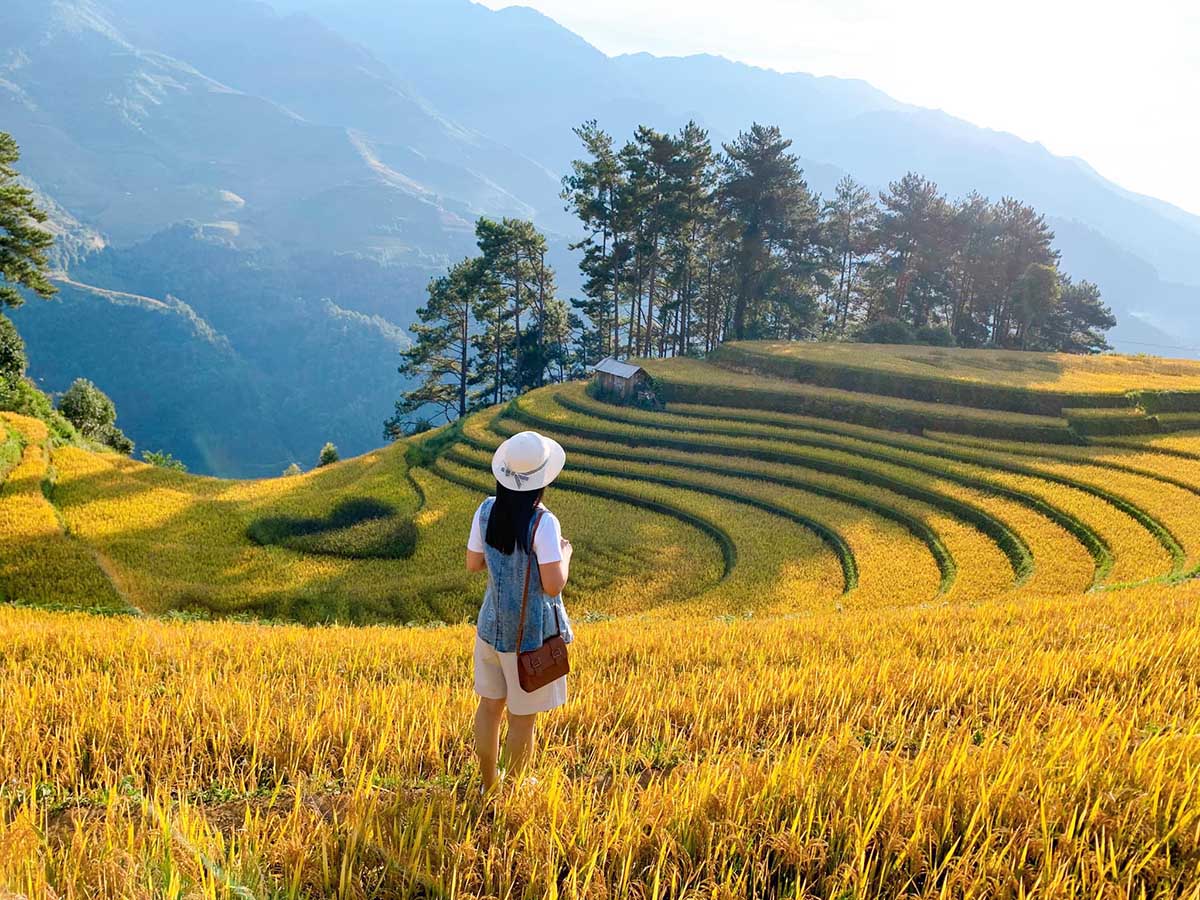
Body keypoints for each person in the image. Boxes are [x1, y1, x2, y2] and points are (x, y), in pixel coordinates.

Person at [466, 430, 574, 793]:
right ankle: (512, 789)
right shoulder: (544, 523)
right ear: (542, 480)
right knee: (522, 719)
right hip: (527, 638)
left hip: (490, 629)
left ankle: (487, 785)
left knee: (489, 708)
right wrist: (566, 554)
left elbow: (473, 563)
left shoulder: (485, 510)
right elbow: (553, 585)